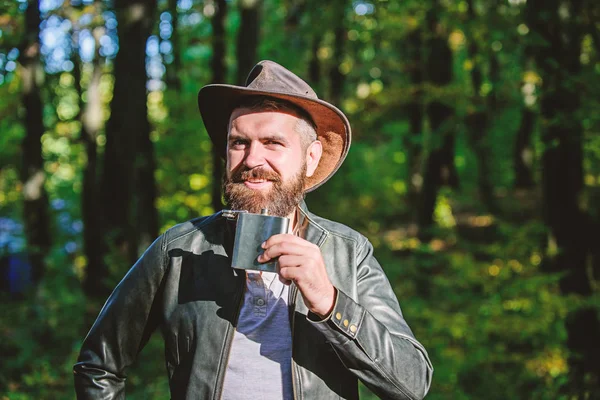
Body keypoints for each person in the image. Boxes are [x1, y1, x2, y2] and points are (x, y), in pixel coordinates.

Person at [74, 60, 433, 400]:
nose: (251, 160)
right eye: (238, 142)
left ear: (310, 159)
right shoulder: (179, 251)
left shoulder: (349, 251)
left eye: (273, 143)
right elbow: (98, 364)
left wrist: (328, 301)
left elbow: (412, 383)